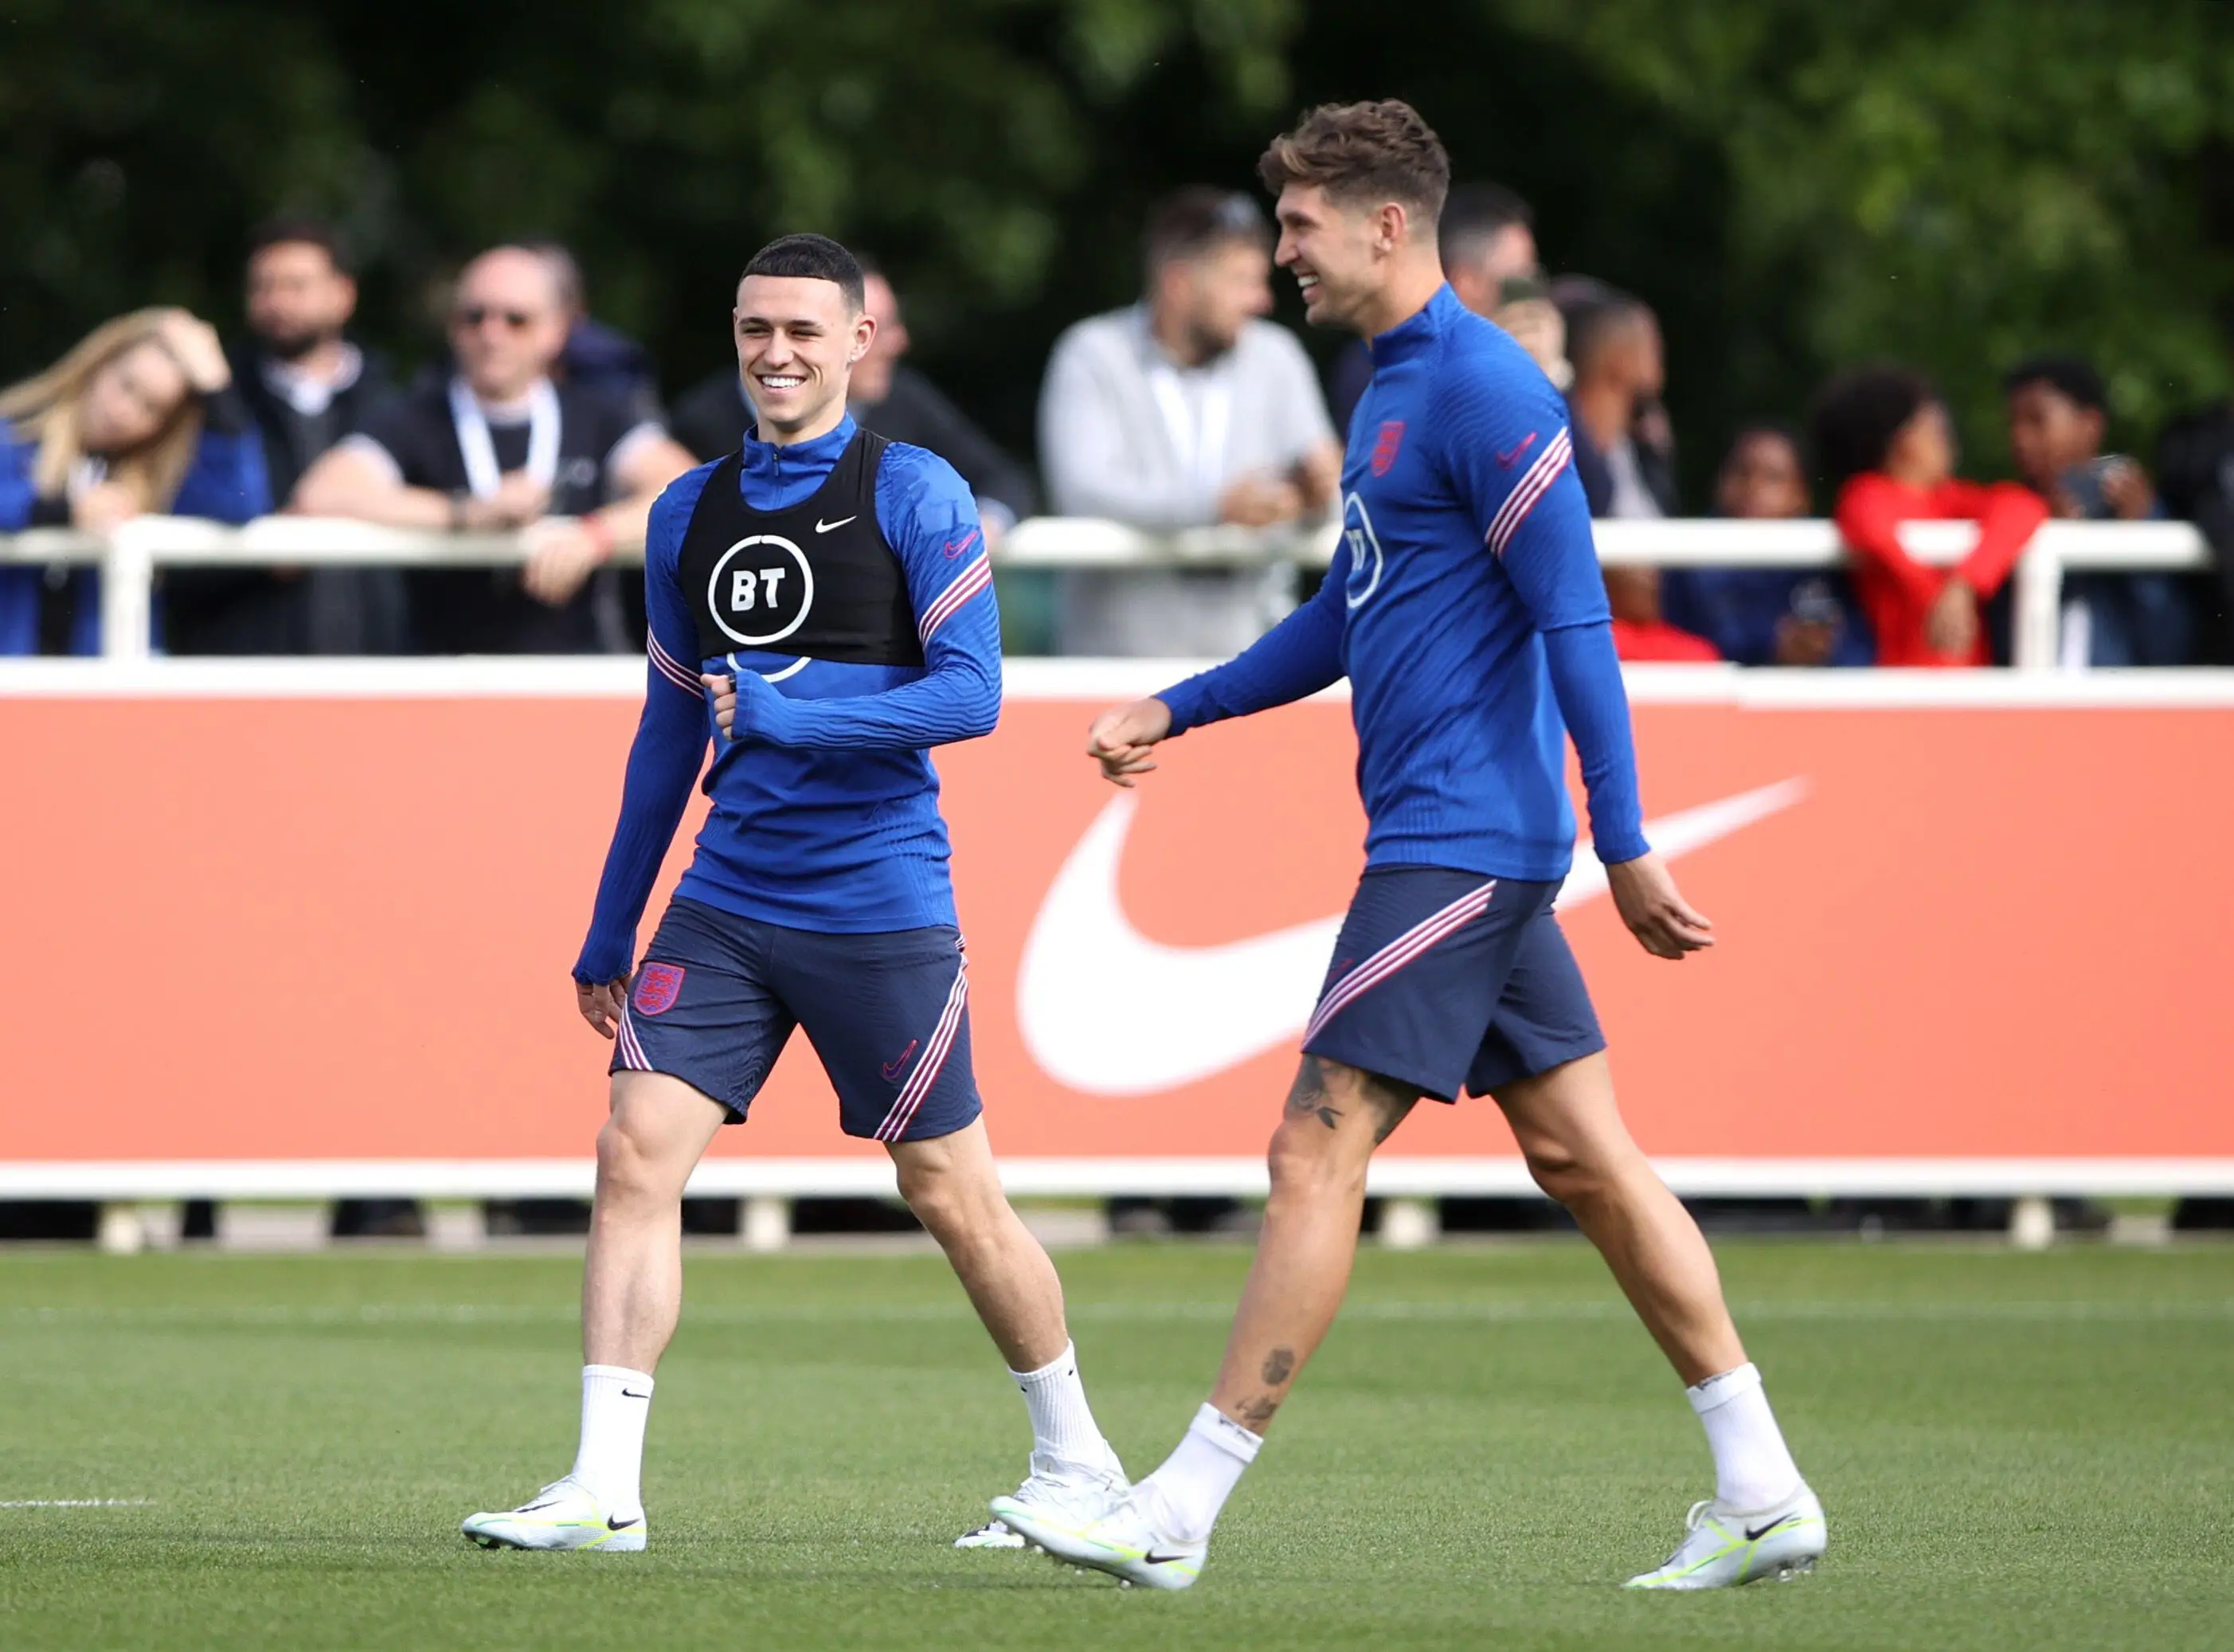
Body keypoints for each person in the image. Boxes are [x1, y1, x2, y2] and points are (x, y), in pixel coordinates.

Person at [998, 99, 1824, 1593]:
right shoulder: (1389, 387)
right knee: (1588, 1155)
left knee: (1315, 1139)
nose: (1280, 252)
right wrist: (1179, 705)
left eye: (1301, 226)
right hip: (1463, 839)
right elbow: (1343, 614)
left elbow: (1577, 616)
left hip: (1466, 838)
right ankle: (1762, 1483)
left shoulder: (1489, 390)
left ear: (1390, 223)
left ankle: (1176, 1505)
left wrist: (1620, 838)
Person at [460, 234, 1125, 1555]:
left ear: (860, 345)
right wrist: (612, 918)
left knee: (949, 1189)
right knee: (631, 1153)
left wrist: (794, 709)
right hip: (725, 900)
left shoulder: (917, 491)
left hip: (878, 899)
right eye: (758, 328)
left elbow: (974, 692)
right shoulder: (684, 512)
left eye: (807, 332)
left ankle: (1081, 1461)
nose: (778, 352)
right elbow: (667, 735)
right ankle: (605, 1483)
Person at [295, 245, 694, 653]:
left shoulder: (595, 414)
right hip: (444, 681)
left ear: (557, 330)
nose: (492, 333)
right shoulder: (416, 416)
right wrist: (463, 513)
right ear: (453, 326)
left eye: (516, 319)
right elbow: (321, 493)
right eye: (474, 317)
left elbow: (690, 490)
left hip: (568, 681)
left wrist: (594, 536)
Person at [1038, 187, 1340, 656]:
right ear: (1179, 283)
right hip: (1116, 669)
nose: (1260, 300)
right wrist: (1216, 505)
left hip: (1254, 666)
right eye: (1241, 281)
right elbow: (1084, 489)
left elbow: (1329, 486)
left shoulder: (1276, 355)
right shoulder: (1093, 353)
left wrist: (1318, 492)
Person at [154, 220, 409, 656]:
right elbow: (179, 552)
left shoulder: (397, 405)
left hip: (379, 681)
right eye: (263, 287)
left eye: (296, 285)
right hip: (246, 682)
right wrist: (265, 558)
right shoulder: (213, 406)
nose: (277, 302)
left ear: (344, 295)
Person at [669, 257, 1038, 542]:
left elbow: (1001, 478)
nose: (899, 342)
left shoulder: (904, 401)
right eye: (874, 330)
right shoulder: (702, 423)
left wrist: (974, 531)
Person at [0, 307, 270, 655]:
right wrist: (62, 510)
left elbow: (242, 504)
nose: (125, 412)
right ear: (99, 364)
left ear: (166, 426)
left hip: (101, 690)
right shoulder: (15, 436)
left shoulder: (158, 481)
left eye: (152, 408)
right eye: (126, 385)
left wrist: (216, 387)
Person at [1813, 366, 2047, 667]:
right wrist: (1935, 596)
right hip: (1904, 693)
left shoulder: (1951, 498)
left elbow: (2024, 507)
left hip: (1969, 693)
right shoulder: (1866, 495)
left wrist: (1964, 586)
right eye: (1930, 420)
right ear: (1899, 439)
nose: (1944, 429)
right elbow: (1869, 527)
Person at [2003, 354, 2195, 667]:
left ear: (2090, 425)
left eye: (2037, 421)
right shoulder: (2009, 512)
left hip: (2125, 707)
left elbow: (2170, 642)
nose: (2020, 438)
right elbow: (2002, 639)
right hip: (2036, 703)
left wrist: (2140, 533)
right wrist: (2050, 531)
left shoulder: (2136, 508)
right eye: (2013, 423)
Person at [1328, 182, 1547, 433]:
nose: (1533, 299)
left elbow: (1586, 472)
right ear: (1469, 284)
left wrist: (1549, 374)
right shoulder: (1377, 366)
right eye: (1522, 283)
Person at [1660, 424, 1875, 667]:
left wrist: (1827, 650)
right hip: (1719, 699)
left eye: (1773, 477)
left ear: (1800, 495)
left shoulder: (1828, 556)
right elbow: (1692, 644)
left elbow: (1861, 645)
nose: (1753, 487)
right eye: (1741, 471)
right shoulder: (1690, 557)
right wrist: (1772, 644)